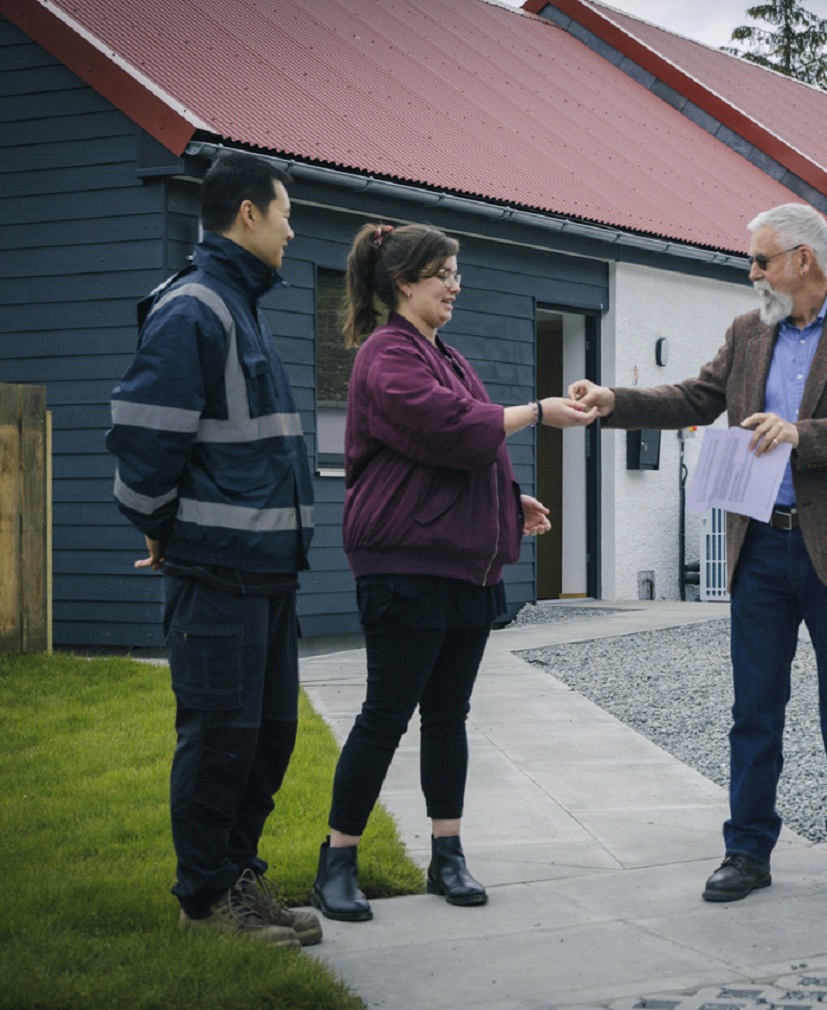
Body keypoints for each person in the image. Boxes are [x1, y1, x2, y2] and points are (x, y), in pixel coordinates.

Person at [569, 203, 827, 904]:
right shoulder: (747, 330)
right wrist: (613, 400)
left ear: (803, 261)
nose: (750, 271)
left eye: (761, 260)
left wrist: (799, 433)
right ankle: (747, 851)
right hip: (759, 548)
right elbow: (696, 394)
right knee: (755, 708)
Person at [311, 222, 597, 922]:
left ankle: (448, 856)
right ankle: (337, 862)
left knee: (448, 715)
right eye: (442, 272)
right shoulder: (386, 354)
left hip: (464, 568)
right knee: (386, 715)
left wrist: (508, 499)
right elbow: (445, 427)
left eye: (456, 271)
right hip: (406, 568)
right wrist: (537, 411)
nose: (455, 283)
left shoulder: (448, 355)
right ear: (404, 282)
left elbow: (467, 445)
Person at [108, 153, 320, 947]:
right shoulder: (194, 309)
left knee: (267, 739)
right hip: (219, 578)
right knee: (220, 741)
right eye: (286, 212)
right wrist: (164, 531)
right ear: (248, 215)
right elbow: (142, 442)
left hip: (267, 577)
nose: (293, 229)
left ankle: (238, 877)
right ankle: (205, 906)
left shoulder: (243, 303)